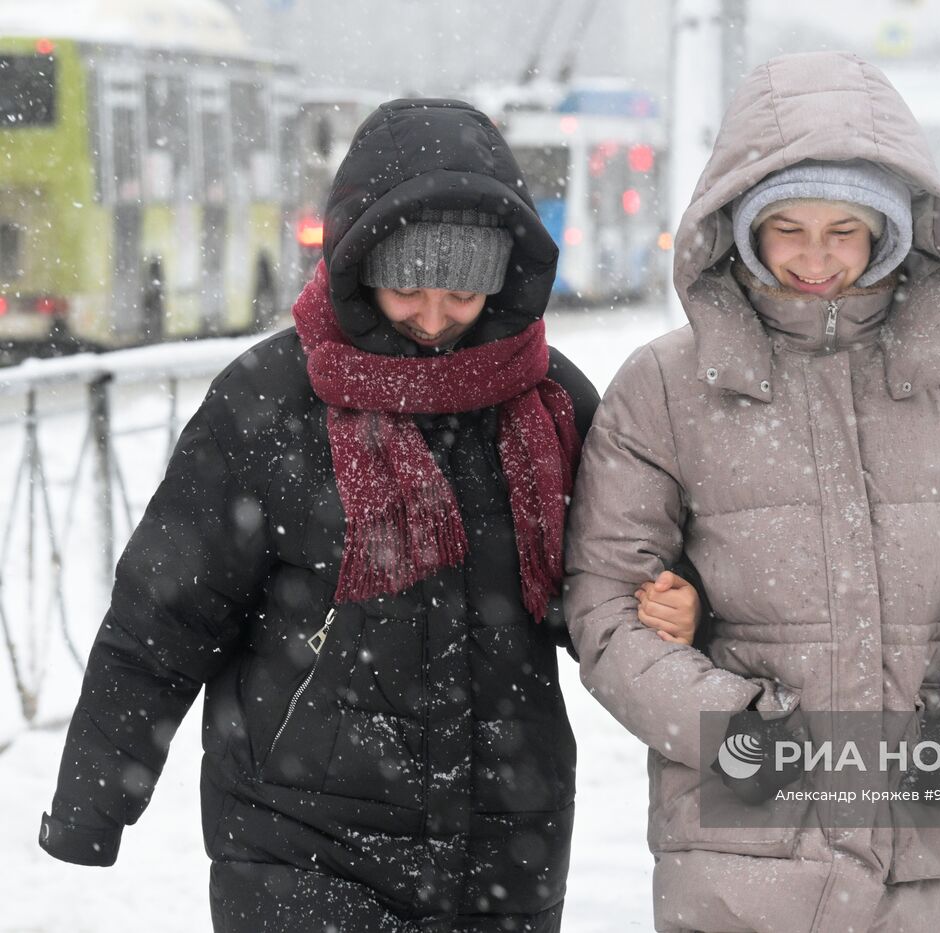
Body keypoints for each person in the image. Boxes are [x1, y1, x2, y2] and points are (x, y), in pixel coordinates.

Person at [37, 98, 699, 932]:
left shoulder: (553, 403)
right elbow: (161, 618)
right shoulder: (267, 405)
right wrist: (93, 802)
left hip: (506, 837)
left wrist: (668, 602)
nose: (432, 317)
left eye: (461, 290)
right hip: (295, 834)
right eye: (407, 285)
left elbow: (595, 587)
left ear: (503, 279)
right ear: (358, 267)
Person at [566, 51, 940, 933]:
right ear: (741, 226)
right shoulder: (665, 384)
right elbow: (604, 599)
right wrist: (729, 728)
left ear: (889, 229)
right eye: (788, 228)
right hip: (742, 849)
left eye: (845, 229)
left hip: (927, 850)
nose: (816, 258)